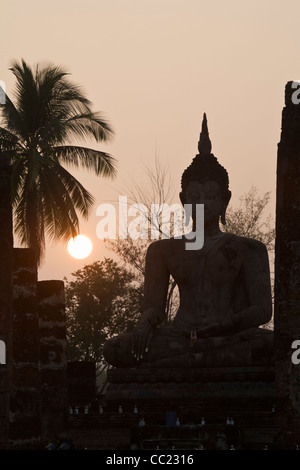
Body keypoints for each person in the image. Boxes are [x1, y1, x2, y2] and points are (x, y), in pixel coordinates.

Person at [103, 114, 274, 368]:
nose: (202, 203)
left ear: (224, 200)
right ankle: (200, 358)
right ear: (184, 201)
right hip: (181, 336)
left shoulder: (247, 249)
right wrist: (144, 325)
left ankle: (192, 360)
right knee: (115, 348)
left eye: (210, 196)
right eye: (194, 196)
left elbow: (262, 310)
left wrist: (228, 325)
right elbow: (155, 309)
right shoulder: (163, 251)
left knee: (276, 345)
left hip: (230, 336)